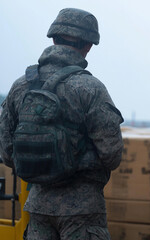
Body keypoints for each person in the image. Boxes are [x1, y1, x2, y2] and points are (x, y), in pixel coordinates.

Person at [0, 8, 124, 239]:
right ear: (88, 45)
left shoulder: (20, 87)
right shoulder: (90, 88)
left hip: (37, 207)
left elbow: (7, 153)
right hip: (83, 211)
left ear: (54, 38)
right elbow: (112, 155)